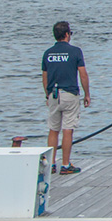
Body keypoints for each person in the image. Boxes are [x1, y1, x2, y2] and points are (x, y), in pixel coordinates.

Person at [42, 21, 90, 175]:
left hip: (53, 94)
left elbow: (45, 76)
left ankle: (51, 164)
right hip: (69, 94)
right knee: (67, 130)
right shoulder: (75, 52)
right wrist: (87, 94)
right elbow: (82, 74)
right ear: (67, 34)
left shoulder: (48, 53)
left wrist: (47, 94)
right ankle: (65, 164)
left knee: (53, 130)